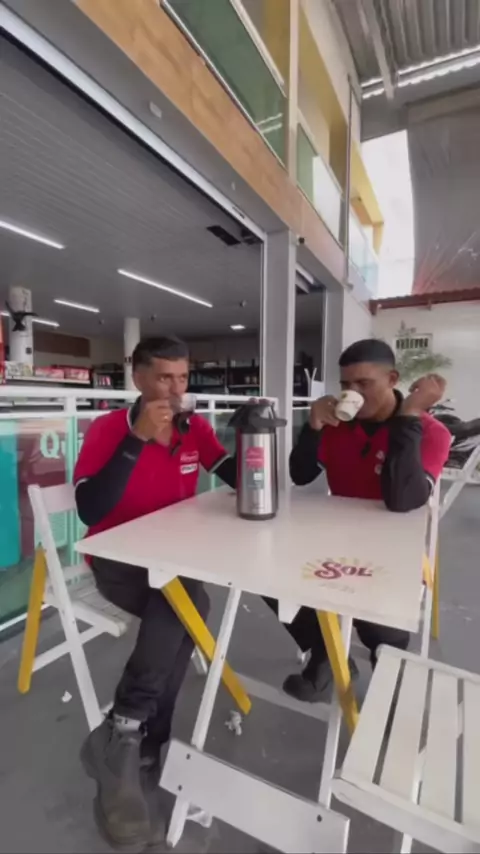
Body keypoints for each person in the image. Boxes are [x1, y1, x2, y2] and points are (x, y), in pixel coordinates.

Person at [75, 336, 235, 848]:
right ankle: (142, 734)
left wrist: (257, 441)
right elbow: (89, 510)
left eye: (182, 378)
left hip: (173, 560)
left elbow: (230, 472)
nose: (175, 389)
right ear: (138, 377)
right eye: (164, 377)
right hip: (116, 560)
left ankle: (126, 733)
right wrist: (136, 439)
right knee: (188, 605)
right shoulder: (107, 430)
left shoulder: (194, 429)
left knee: (184, 601)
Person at [272, 338, 452, 703]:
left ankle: (390, 677)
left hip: (397, 549)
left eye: (363, 383)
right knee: (267, 575)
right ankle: (326, 654)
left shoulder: (431, 433)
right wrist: (313, 428)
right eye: (346, 384)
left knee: (378, 625)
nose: (352, 393)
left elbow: (402, 501)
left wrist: (408, 417)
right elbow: (301, 475)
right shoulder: (338, 427)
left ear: (392, 379)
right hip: (337, 540)